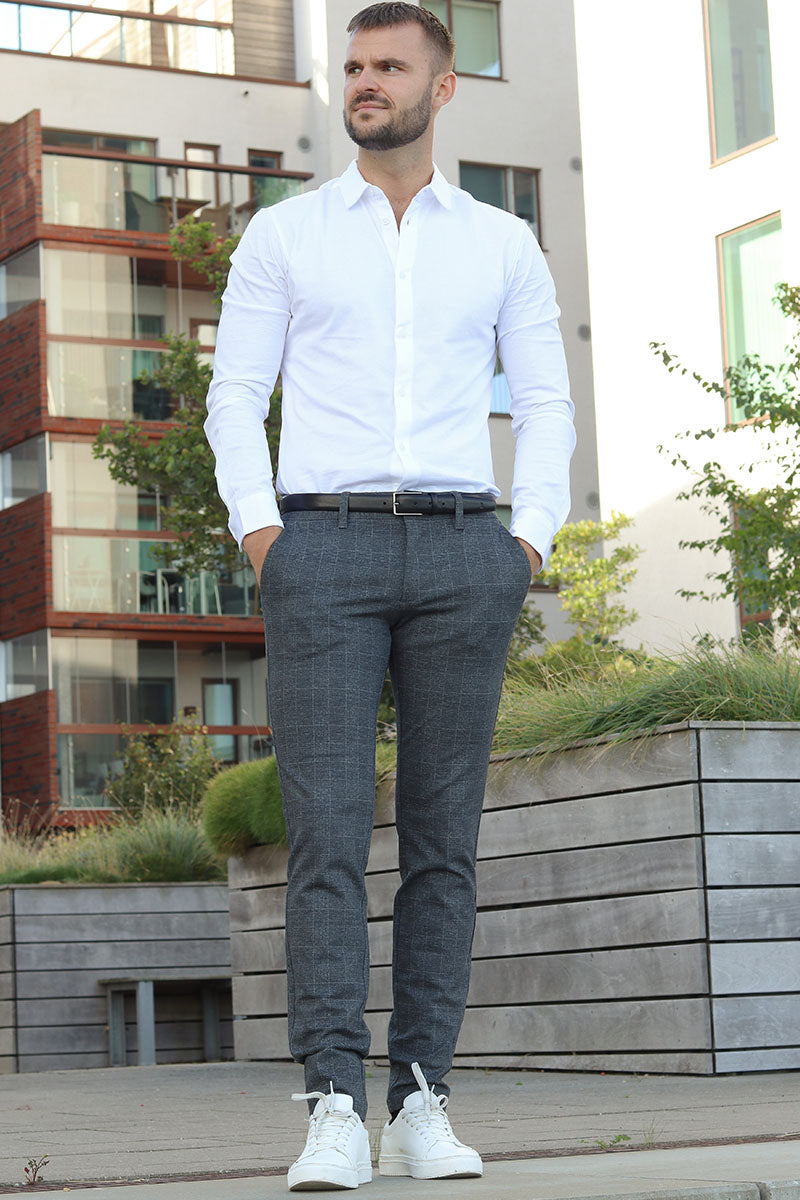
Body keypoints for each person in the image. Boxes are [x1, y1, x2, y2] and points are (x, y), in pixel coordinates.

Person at [205, 2, 575, 1190]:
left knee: (441, 844)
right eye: (352, 66)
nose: (364, 82)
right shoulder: (285, 235)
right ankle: (330, 1102)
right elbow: (233, 394)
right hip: (319, 548)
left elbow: (545, 400)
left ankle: (419, 1101)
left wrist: (527, 542)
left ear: (440, 87)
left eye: (387, 66)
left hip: (467, 554)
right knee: (322, 838)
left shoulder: (501, 244)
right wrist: (261, 533)